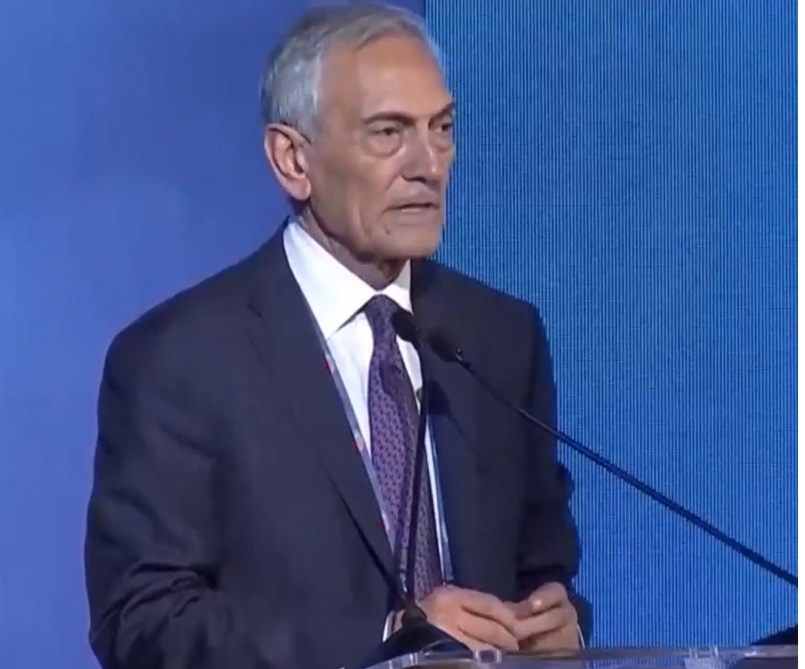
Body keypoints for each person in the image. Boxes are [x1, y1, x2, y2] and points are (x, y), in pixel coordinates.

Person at [84, 4, 588, 669]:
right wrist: (385, 637)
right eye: (388, 132)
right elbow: (143, 621)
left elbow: (542, 569)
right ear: (292, 159)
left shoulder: (498, 337)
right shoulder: (180, 360)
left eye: (442, 128)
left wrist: (558, 627)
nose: (428, 165)